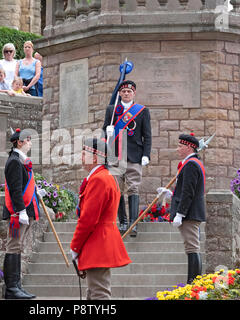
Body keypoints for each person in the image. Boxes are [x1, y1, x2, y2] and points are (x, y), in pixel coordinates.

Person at [70, 137, 131, 300]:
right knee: (94, 292)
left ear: (95, 157)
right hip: (99, 241)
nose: (81, 157)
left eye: (84, 153)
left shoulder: (99, 179)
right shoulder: (103, 176)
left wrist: (75, 246)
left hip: (98, 242)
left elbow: (88, 219)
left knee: (99, 294)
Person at [102, 80, 152, 237]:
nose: (126, 94)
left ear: (133, 93)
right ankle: (122, 221)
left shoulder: (142, 111)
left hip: (134, 155)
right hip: (115, 155)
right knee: (117, 189)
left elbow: (147, 135)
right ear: (120, 93)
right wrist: (107, 132)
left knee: (133, 188)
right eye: (123, 91)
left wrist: (146, 154)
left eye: (129, 92)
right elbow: (104, 130)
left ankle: (133, 224)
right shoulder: (112, 110)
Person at [2, 128, 39, 299]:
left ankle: (16, 285)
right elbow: (15, 190)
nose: (30, 143)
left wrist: (38, 193)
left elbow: (24, 184)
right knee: (13, 246)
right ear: (19, 142)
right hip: (17, 214)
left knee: (18, 247)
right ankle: (11, 288)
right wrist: (21, 210)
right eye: (28, 140)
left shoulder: (21, 161)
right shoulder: (14, 162)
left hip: (23, 211)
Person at [168, 132, 206, 284]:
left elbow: (188, 192)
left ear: (189, 147)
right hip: (190, 212)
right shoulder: (192, 163)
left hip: (189, 213)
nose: (177, 149)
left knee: (192, 248)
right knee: (192, 247)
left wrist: (180, 213)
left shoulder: (190, 164)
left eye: (180, 146)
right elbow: (185, 189)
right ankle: (194, 282)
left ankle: (193, 284)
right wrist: (169, 194)